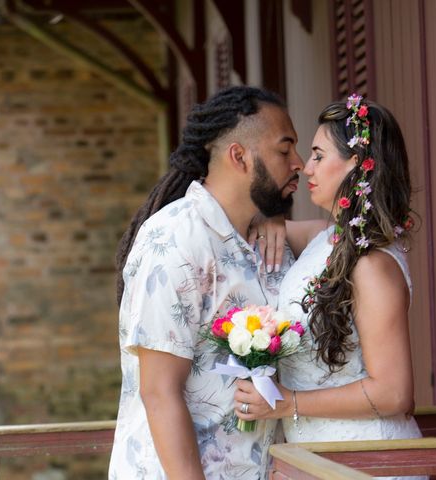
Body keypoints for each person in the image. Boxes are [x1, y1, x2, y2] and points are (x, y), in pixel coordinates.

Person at [108, 85, 304, 480]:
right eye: (285, 151)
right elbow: (159, 392)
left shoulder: (268, 242)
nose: (299, 163)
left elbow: (350, 238)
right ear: (239, 156)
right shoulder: (175, 241)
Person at [234, 95, 426, 480]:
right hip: (317, 459)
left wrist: (287, 404)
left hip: (369, 462)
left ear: (356, 164)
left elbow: (393, 392)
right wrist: (273, 217)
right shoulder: (327, 239)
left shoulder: (373, 265)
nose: (306, 167)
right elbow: (249, 224)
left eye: (319, 155)